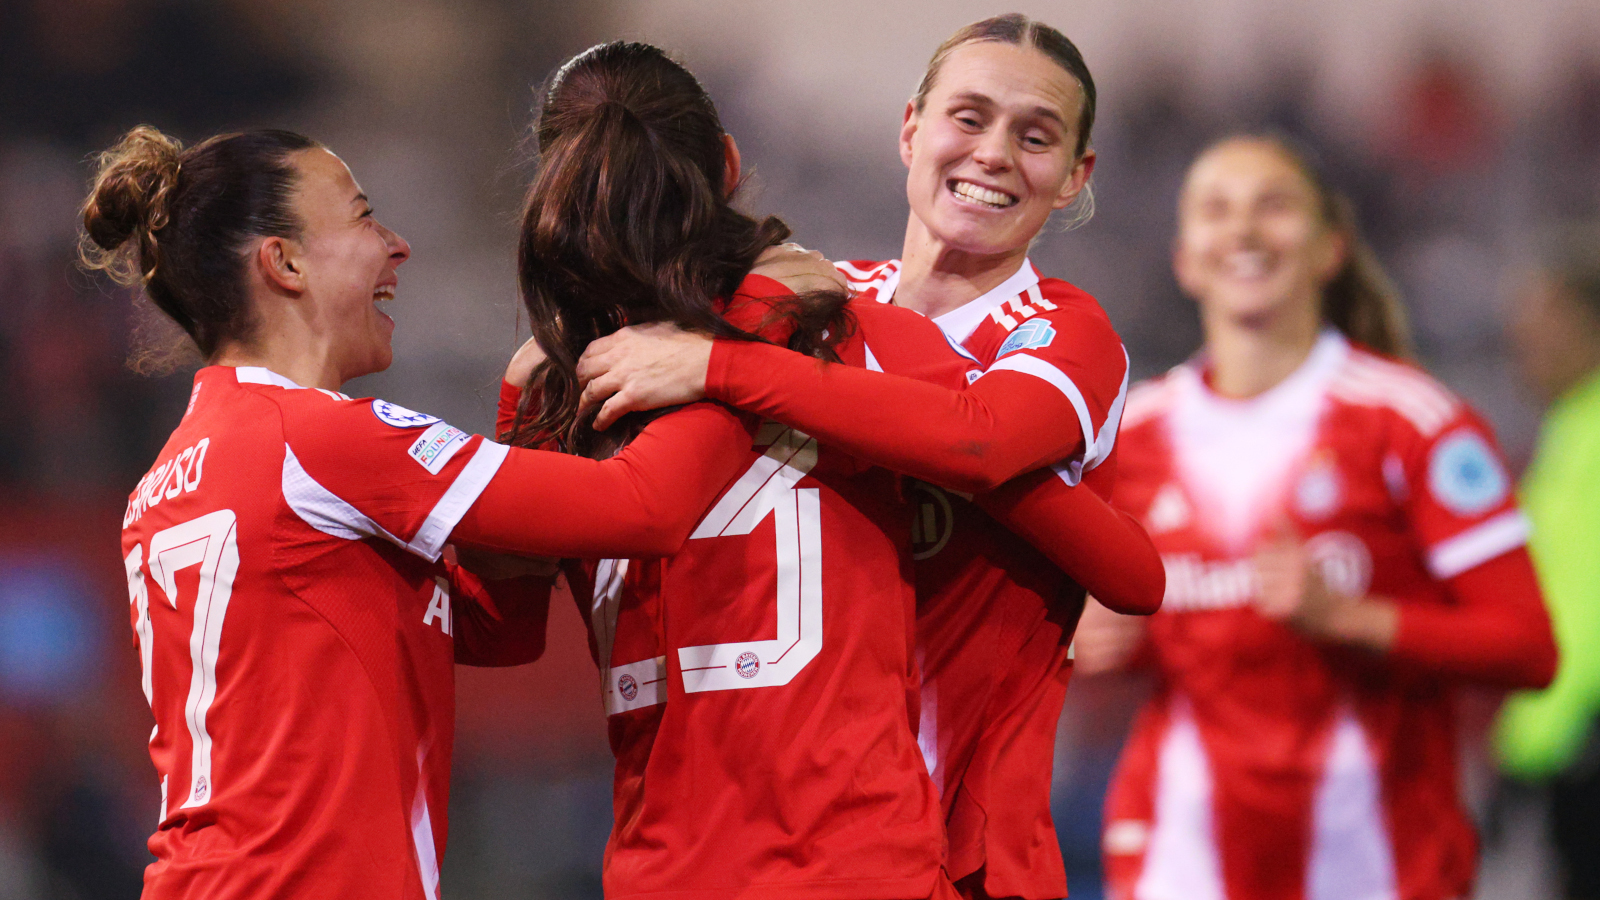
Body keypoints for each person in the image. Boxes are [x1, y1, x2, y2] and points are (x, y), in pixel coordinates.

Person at [494, 39, 1162, 900]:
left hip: (963, 839)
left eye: (1035, 137)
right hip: (816, 830)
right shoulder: (808, 306)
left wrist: (719, 366)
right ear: (910, 130)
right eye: (968, 117)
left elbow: (988, 446)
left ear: (1076, 175)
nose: (993, 153)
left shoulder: (1054, 333)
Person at [86, 125, 806, 900]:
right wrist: (728, 350)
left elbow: (497, 630)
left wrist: (523, 425)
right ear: (284, 262)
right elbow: (647, 508)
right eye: (363, 218)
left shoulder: (167, 480)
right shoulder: (323, 440)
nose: (396, 244)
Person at [1071, 134, 1557, 900]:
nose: (1244, 230)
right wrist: (1091, 643)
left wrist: (1352, 619)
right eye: (1216, 209)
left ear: (1331, 247)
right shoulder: (1128, 437)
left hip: (1380, 859)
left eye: (1274, 205)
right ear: (1186, 258)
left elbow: (1530, 650)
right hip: (1180, 857)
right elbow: (1072, 641)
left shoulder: (1415, 421)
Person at [1494, 223, 1600, 900]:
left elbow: (1582, 607)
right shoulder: (1568, 431)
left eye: (1543, 324)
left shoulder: (1589, 439)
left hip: (1581, 747)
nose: (1522, 345)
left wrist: (1531, 751)